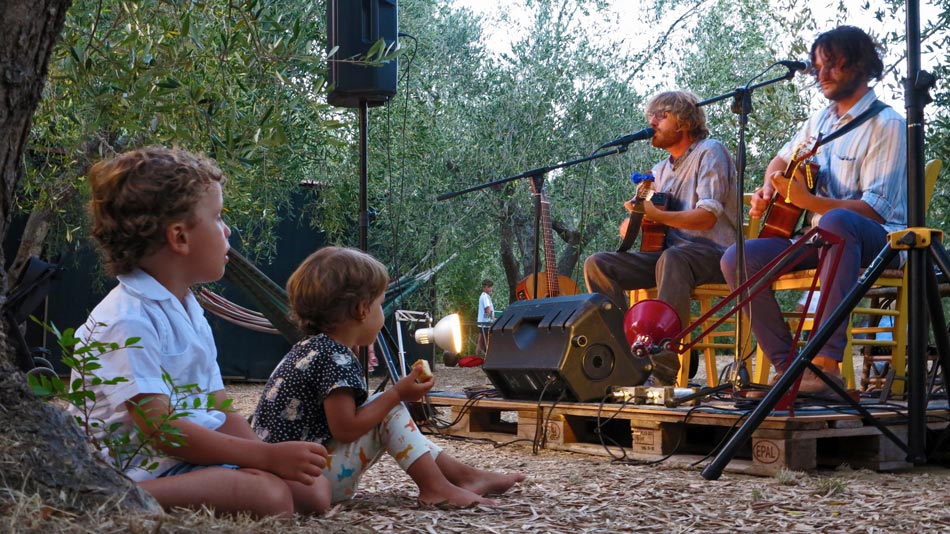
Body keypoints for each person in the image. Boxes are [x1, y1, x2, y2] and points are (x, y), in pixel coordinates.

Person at [71, 146, 331, 517]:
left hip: (191, 457)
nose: (227, 230)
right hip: (148, 467)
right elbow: (161, 430)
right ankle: (116, 497)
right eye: (218, 217)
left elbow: (219, 406)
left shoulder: (189, 308)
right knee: (269, 498)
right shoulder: (128, 319)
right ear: (180, 237)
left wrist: (269, 456)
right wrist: (263, 457)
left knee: (313, 492)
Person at [251, 247, 524, 507]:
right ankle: (436, 487)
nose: (383, 314)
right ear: (361, 310)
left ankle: (465, 476)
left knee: (384, 408)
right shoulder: (335, 357)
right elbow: (345, 428)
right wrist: (398, 394)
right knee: (389, 408)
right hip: (310, 480)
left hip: (286, 472)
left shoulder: (309, 349)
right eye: (381, 305)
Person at [721, 26, 907, 397]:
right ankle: (790, 370)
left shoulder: (887, 125)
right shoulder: (819, 121)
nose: (820, 75)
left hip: (882, 240)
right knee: (737, 257)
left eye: (831, 65)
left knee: (838, 222)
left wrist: (809, 203)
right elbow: (781, 158)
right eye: (817, 66)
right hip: (822, 237)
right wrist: (769, 185)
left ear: (860, 66)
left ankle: (825, 366)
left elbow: (873, 210)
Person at [584, 90, 738, 330]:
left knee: (673, 258)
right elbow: (652, 225)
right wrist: (635, 222)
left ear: (684, 122)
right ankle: (627, 349)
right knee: (598, 264)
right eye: (650, 117)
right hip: (670, 259)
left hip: (717, 256)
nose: (651, 122)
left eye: (661, 116)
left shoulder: (710, 151)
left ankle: (661, 357)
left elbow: (707, 218)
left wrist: (658, 215)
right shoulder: (657, 172)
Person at [476, 278, 494, 357]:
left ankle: (477, 358)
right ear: (485, 287)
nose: (491, 288)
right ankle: (488, 358)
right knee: (488, 341)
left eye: (491, 287)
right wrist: (494, 318)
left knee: (480, 341)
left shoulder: (483, 296)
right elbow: (488, 310)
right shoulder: (485, 296)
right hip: (486, 323)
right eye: (489, 287)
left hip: (483, 322)